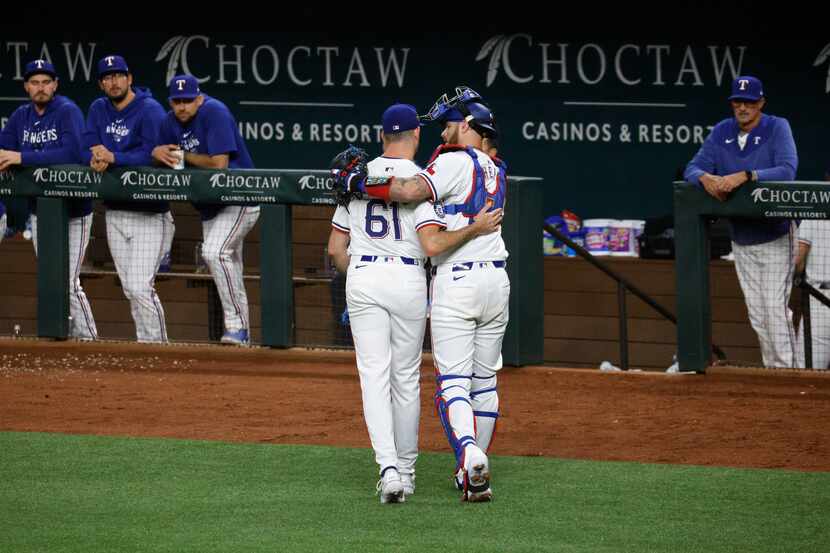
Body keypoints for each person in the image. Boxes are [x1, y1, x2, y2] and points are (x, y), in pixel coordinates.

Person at [333, 86, 508, 502]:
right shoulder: (487, 169)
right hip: (419, 281)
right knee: (412, 380)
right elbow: (428, 238)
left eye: (449, 124)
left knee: (375, 378)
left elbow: (335, 249)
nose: (442, 130)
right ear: (414, 134)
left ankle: (390, 470)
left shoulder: (415, 174)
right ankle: (415, 471)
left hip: (368, 276)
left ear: (381, 136)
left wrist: (357, 181)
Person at [684, 75, 799, 368]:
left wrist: (748, 174)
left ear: (761, 102)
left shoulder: (776, 126)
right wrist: (704, 178)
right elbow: (692, 167)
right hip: (742, 236)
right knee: (758, 315)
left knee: (774, 310)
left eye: (749, 101)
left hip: (775, 234)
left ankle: (792, 376)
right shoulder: (722, 131)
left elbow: (787, 170)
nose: (742, 107)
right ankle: (773, 371)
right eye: (737, 101)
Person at [152, 75, 259, 346]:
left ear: (199, 99)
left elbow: (219, 164)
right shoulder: (168, 121)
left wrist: (183, 156)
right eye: (177, 101)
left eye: (188, 100)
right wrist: (157, 152)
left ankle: (236, 327)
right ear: (170, 102)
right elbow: (169, 163)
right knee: (228, 263)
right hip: (210, 206)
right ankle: (242, 334)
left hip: (240, 198)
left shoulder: (215, 111)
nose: (183, 107)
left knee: (214, 252)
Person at [0, 59, 97, 340]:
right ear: (26, 87)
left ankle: (90, 337)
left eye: (46, 82)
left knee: (67, 280)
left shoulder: (67, 111)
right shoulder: (21, 116)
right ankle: (69, 337)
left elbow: (73, 154)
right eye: (34, 82)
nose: (40, 88)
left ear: (55, 85)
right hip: (40, 213)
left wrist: (22, 157)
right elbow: (5, 147)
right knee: (54, 280)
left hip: (75, 212)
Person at [83, 55, 172, 343]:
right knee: (129, 287)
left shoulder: (150, 110)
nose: (114, 81)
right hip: (115, 211)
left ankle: (160, 346)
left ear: (130, 78)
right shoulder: (98, 108)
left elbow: (160, 157)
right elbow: (90, 140)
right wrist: (95, 153)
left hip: (149, 213)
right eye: (107, 77)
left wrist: (114, 157)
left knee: (138, 285)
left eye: (119, 75)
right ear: (101, 84)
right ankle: (147, 346)